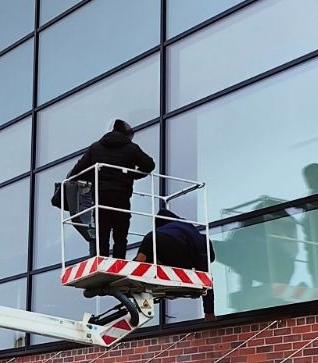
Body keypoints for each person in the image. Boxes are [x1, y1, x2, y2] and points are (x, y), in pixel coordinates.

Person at [65, 119, 154, 257]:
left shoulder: (95, 147)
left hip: (101, 195)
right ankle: (120, 259)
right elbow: (149, 165)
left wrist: (91, 177)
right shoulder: (131, 148)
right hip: (121, 195)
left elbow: (77, 170)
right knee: (121, 233)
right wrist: (132, 175)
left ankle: (102, 258)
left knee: (103, 231)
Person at [134, 206, 216, 318]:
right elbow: (207, 282)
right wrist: (209, 311)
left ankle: (138, 263)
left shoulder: (182, 227)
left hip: (152, 237)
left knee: (141, 261)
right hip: (174, 244)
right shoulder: (202, 246)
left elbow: (163, 215)